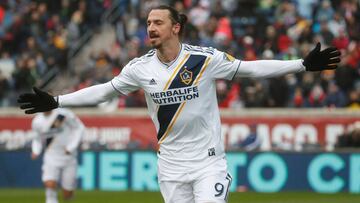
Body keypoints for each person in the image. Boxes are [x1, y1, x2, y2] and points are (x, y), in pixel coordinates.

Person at [18, 5, 341, 203]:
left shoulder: (205, 59)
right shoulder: (139, 68)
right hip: (170, 167)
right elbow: (105, 91)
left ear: (176, 27)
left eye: (157, 22)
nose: (150, 28)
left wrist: (301, 64)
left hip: (208, 162)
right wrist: (57, 100)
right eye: (147, 23)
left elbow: (248, 68)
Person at [31, 108, 85, 203]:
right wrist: (36, 150)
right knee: (50, 184)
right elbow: (37, 139)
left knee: (67, 194)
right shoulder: (37, 121)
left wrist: (71, 147)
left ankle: (68, 194)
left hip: (68, 157)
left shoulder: (63, 114)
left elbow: (79, 128)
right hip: (51, 155)